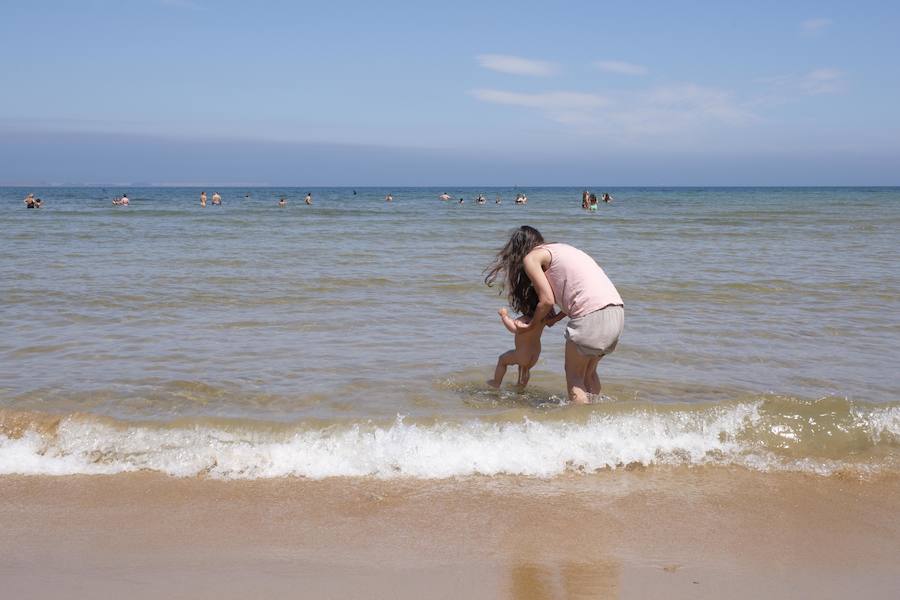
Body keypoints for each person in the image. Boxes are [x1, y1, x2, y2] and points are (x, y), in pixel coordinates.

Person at [484, 226, 624, 404]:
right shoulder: (562, 249)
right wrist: (555, 317)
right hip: (616, 311)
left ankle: (580, 427)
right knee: (589, 374)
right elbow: (578, 294)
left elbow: (547, 301)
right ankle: (594, 423)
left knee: (575, 378)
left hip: (591, 315)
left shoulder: (532, 257)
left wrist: (533, 325)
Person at [488, 304, 565, 389]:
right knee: (525, 368)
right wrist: (564, 311)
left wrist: (504, 315)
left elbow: (513, 328)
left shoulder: (524, 319)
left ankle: (496, 383)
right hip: (535, 354)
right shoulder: (543, 319)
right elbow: (553, 320)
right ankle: (520, 388)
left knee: (502, 360)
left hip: (522, 354)